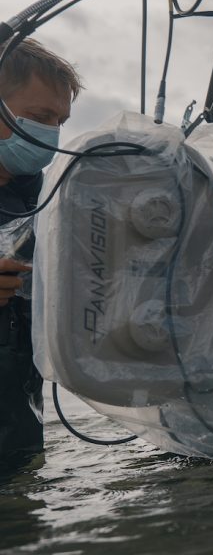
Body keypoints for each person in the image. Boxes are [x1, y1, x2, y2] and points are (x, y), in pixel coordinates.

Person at [0, 39, 81, 462]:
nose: (51, 133)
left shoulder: (42, 201)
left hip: (19, 443)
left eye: (59, 120)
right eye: (39, 116)